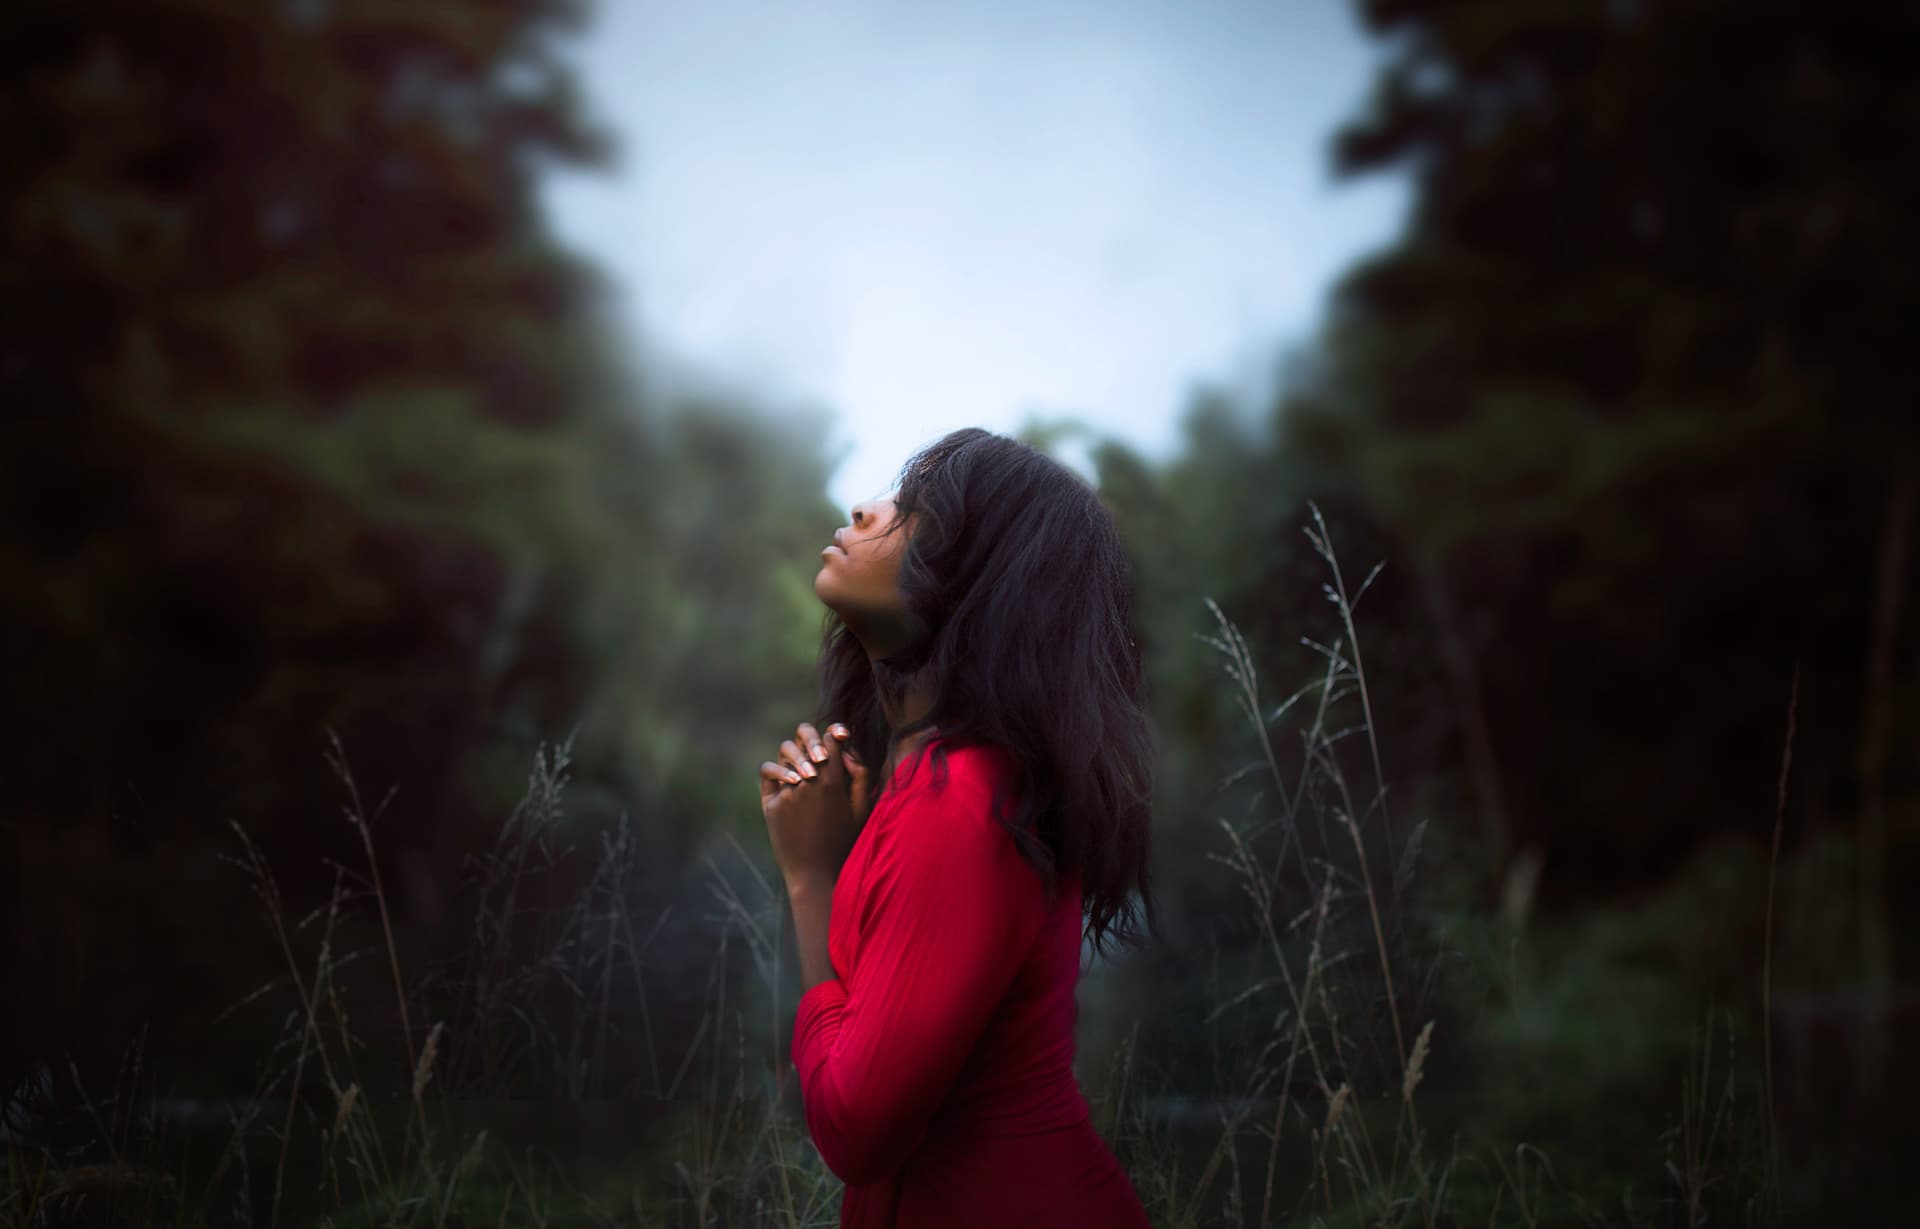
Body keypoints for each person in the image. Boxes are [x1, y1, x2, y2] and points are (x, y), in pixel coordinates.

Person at [758, 428, 1158, 1227]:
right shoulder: (943, 785)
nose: (865, 508)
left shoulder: (962, 804)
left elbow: (856, 1130)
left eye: (913, 514)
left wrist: (810, 880)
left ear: (980, 581)